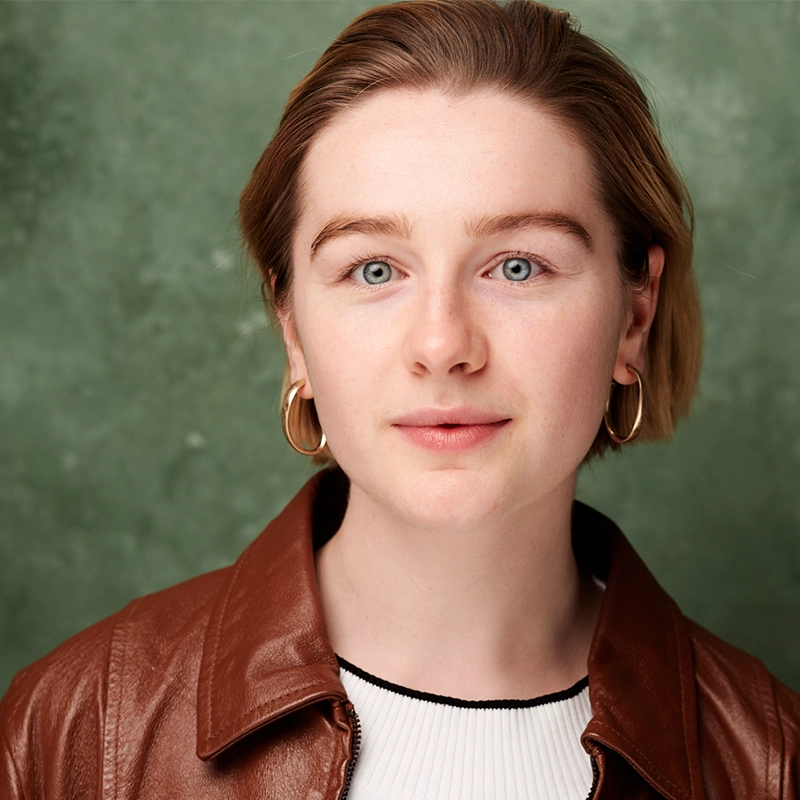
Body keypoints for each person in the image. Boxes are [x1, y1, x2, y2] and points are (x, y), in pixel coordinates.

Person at [1, 0, 798, 797]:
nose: (443, 344)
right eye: (374, 270)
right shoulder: (76, 729)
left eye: (517, 266)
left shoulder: (774, 764)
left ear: (635, 313)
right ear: (293, 330)